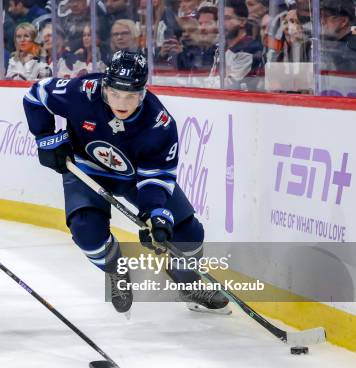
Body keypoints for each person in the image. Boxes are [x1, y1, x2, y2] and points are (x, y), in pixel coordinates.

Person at [22, 50, 230, 315]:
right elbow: (37, 94)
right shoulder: (82, 92)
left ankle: (188, 283)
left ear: (143, 93)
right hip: (87, 169)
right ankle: (115, 268)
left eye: (131, 95)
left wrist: (154, 214)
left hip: (135, 178)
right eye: (115, 93)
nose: (122, 102)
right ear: (105, 86)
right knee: (86, 230)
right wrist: (45, 137)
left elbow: (156, 176)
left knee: (188, 232)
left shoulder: (159, 123)